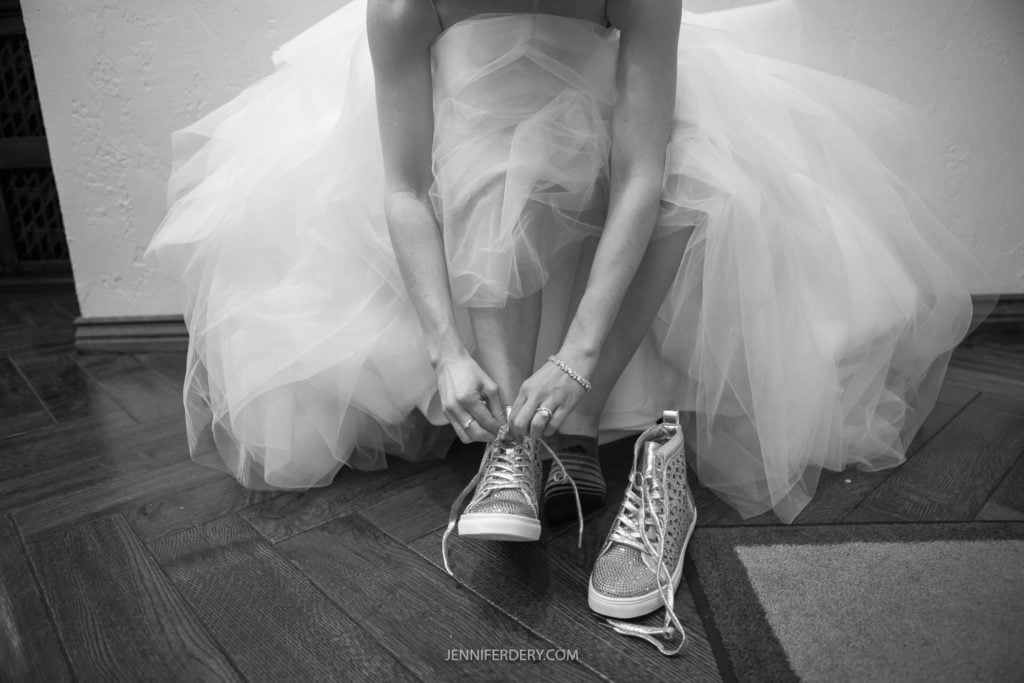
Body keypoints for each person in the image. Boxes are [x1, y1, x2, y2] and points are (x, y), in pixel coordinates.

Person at [147, 0, 990, 655]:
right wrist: (445, 355)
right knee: (494, 155)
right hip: (471, 132)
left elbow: (641, 173)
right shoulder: (405, 6)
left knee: (707, 181)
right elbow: (405, 187)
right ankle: (511, 442)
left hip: (614, 122)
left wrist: (580, 358)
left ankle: (573, 429)